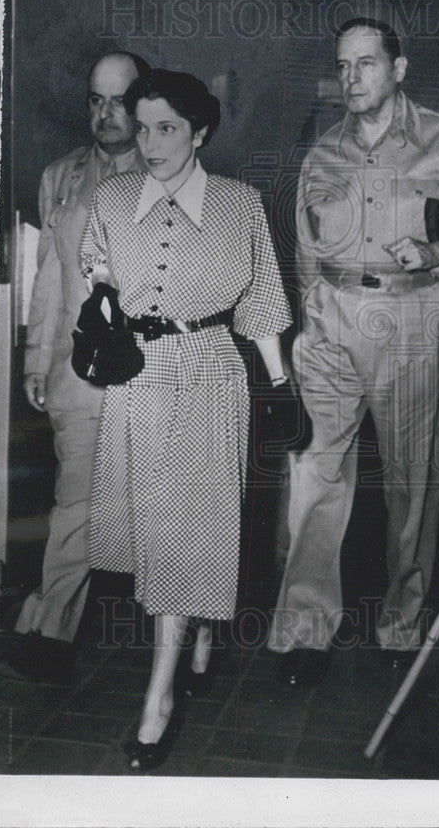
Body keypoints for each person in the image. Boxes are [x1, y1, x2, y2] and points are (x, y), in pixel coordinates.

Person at [268, 18, 439, 685]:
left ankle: (401, 623)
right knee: (317, 475)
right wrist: (311, 319)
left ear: (398, 70)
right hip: (334, 321)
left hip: (415, 318)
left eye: (366, 64)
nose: (352, 78)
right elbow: (306, 247)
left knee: (412, 481)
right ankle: (304, 633)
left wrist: (437, 255)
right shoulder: (324, 154)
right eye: (343, 65)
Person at [79, 68, 292, 771]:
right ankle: (198, 625)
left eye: (167, 127)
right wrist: (102, 303)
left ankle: (157, 702)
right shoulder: (110, 199)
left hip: (209, 373)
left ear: (200, 132)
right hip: (137, 380)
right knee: (161, 536)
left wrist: (281, 383)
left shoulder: (241, 204)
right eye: (142, 127)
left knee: (184, 532)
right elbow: (99, 275)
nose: (150, 142)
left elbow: (261, 301)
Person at [10, 52, 150, 682]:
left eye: (119, 101)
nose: (105, 114)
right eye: (96, 100)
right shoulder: (61, 176)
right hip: (79, 373)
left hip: (153, 374)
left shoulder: (173, 172)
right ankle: (50, 628)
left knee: (164, 504)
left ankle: (182, 633)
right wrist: (37, 360)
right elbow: (46, 280)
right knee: (74, 503)